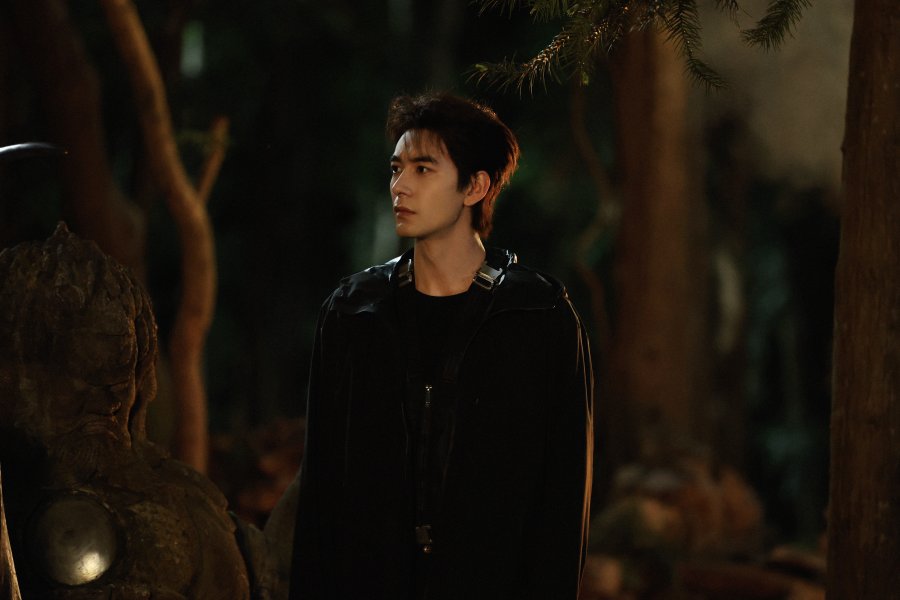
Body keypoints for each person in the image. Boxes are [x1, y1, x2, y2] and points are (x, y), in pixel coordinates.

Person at [289, 92, 594, 600]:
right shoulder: (353, 313)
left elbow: (563, 500)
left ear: (475, 186)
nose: (399, 186)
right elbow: (320, 490)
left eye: (423, 169)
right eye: (396, 169)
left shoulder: (538, 317)